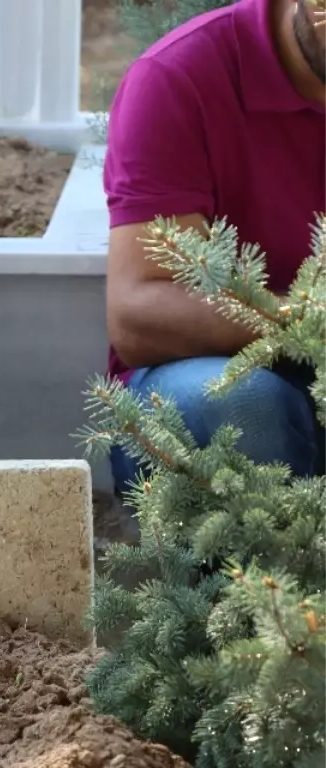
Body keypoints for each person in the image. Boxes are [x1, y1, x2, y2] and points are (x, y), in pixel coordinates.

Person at [104, 0, 326, 493]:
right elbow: (139, 314)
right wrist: (308, 319)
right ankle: (255, 568)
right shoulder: (180, 76)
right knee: (237, 405)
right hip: (206, 383)